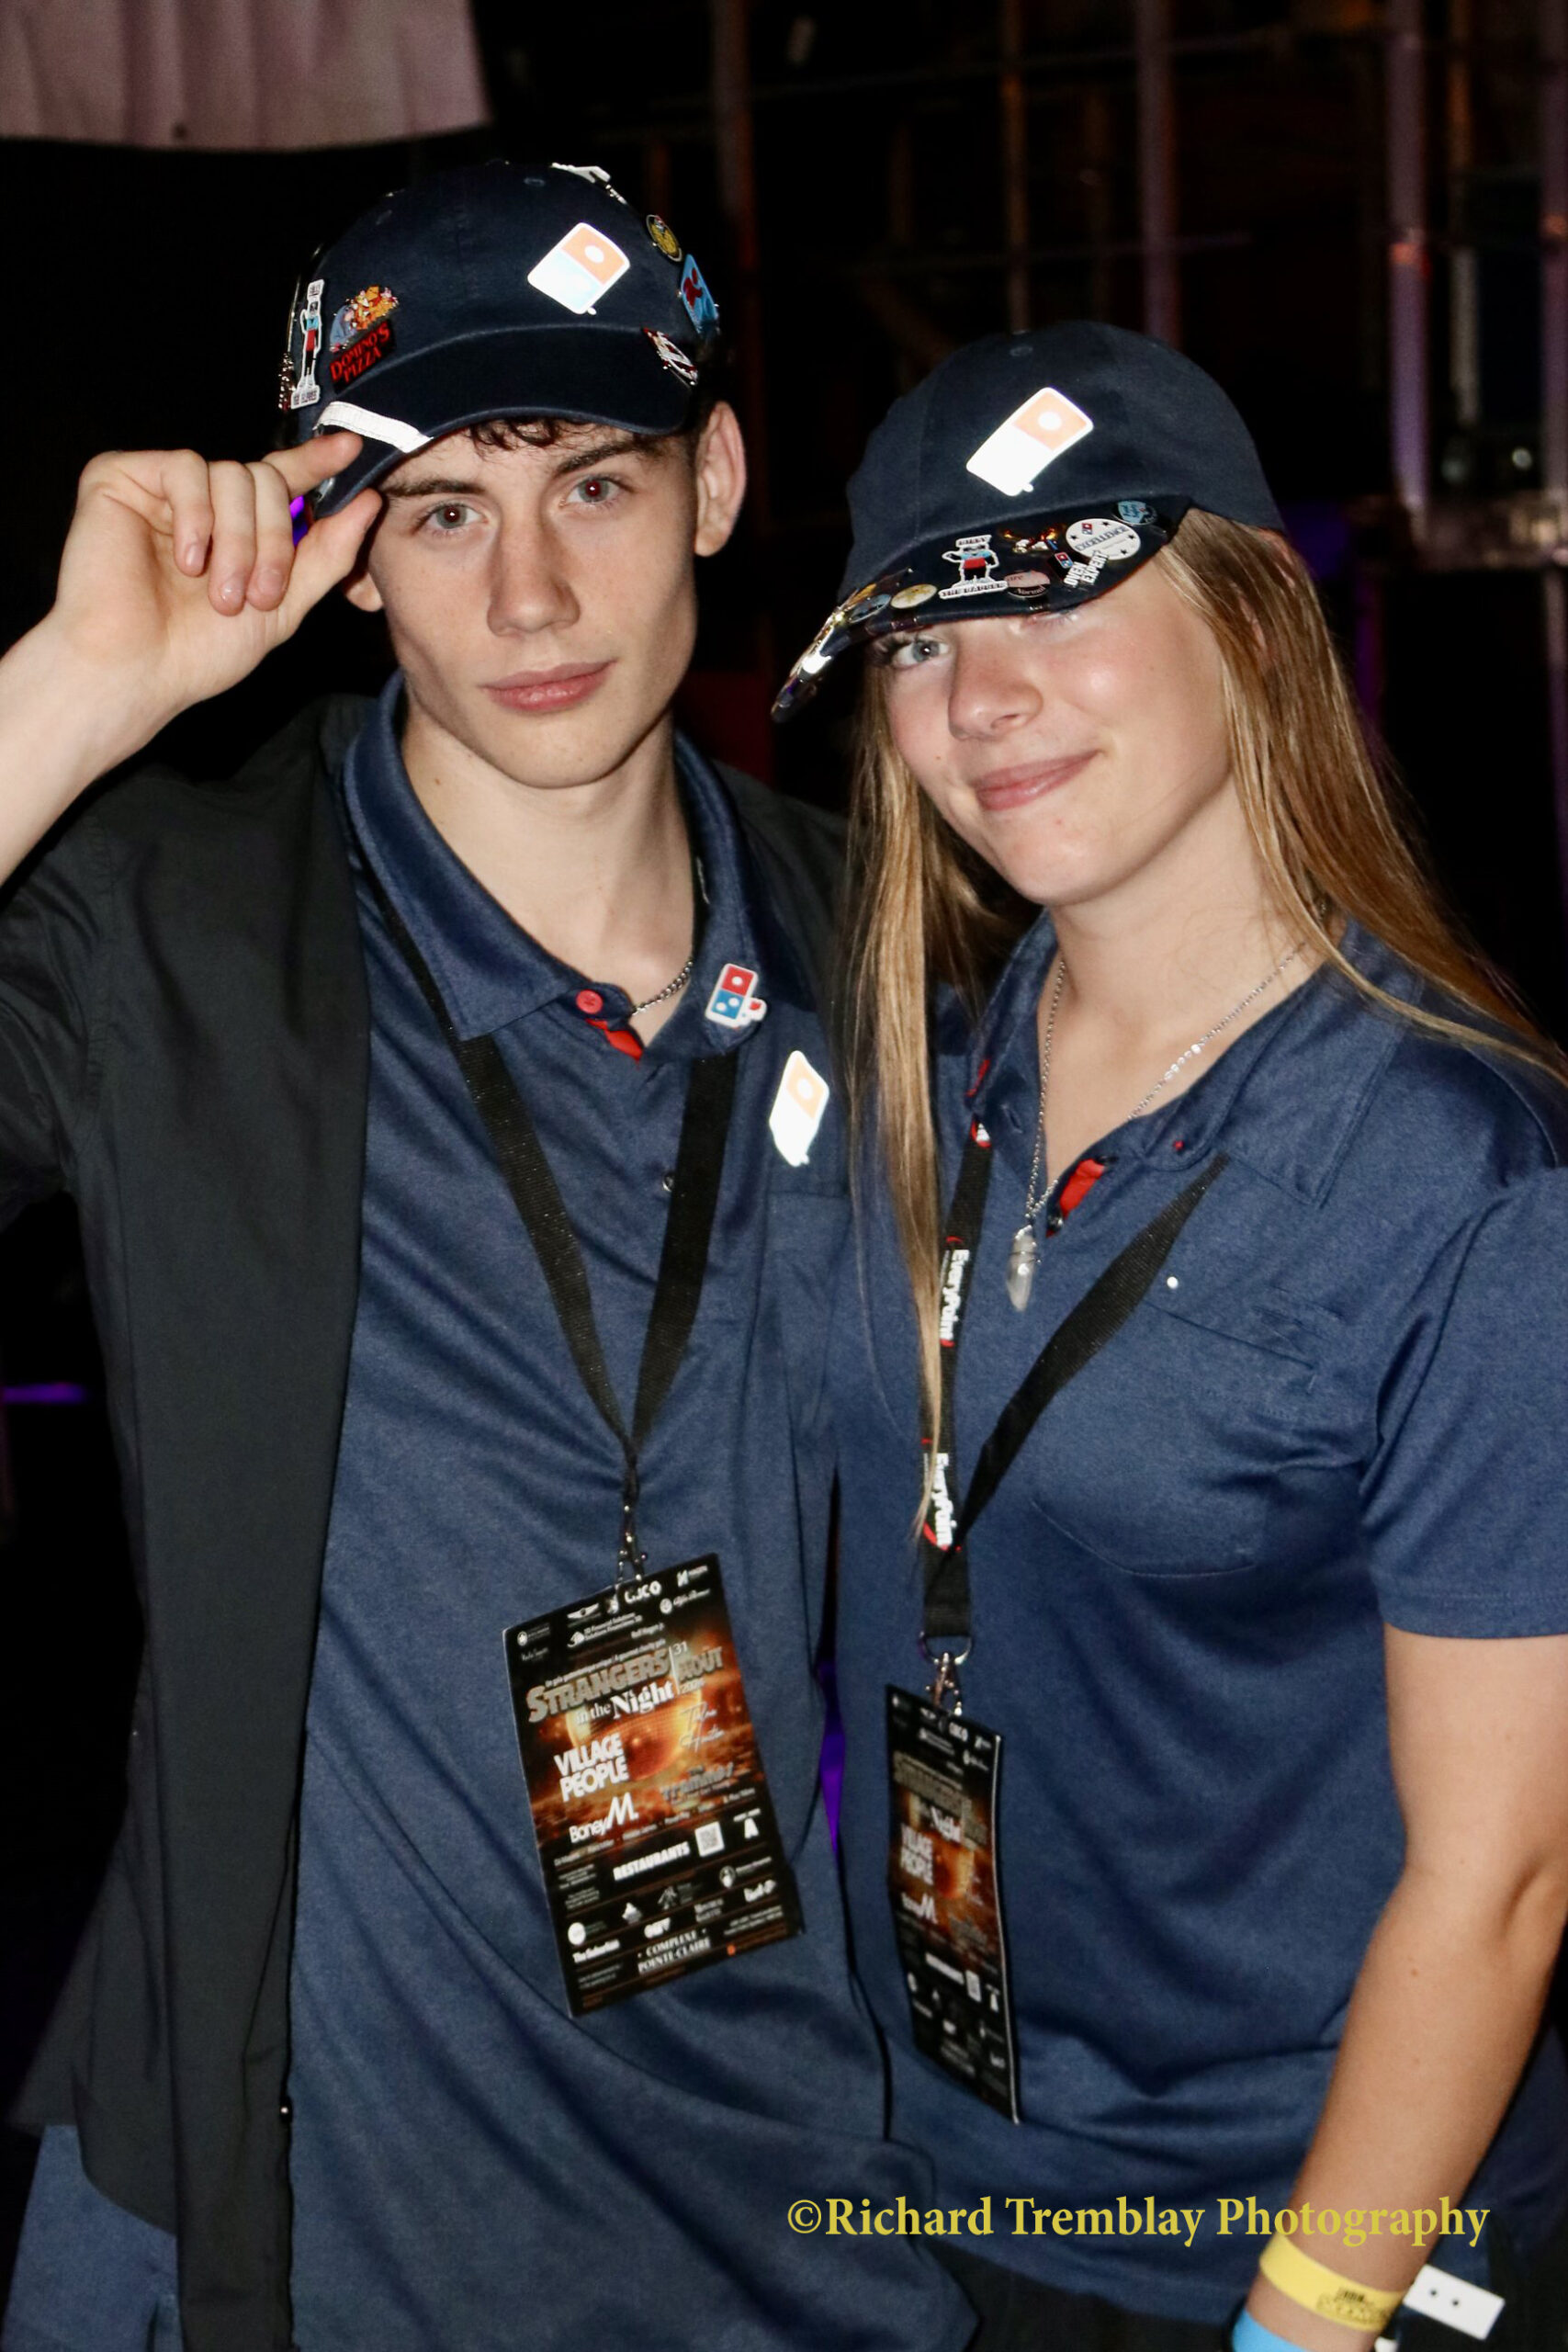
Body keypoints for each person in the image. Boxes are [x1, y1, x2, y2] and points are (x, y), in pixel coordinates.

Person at [0, 163, 972, 2352]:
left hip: (798, 2207)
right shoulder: (175, 939)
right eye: (441, 509)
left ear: (714, 483)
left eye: (593, 485)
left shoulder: (889, 952)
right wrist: (71, 689)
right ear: (345, 554)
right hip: (286, 2209)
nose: (530, 590)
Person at [774, 322, 1568, 2352]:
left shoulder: (1452, 1169)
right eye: (921, 639)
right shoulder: (913, 1091)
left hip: (1290, 2228)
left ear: (1250, 615)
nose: (983, 698)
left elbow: (1499, 1877)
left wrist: (1305, 2317)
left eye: (1058, 595)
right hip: (930, 2187)